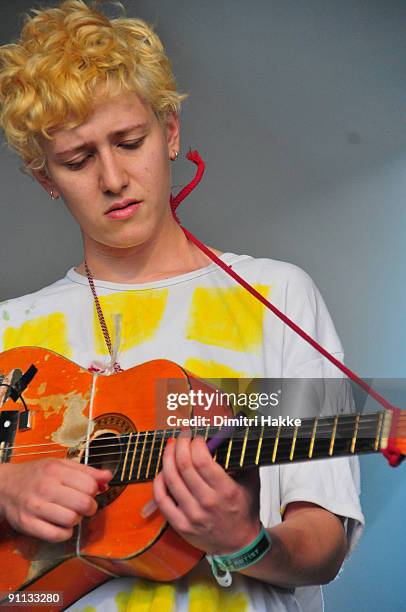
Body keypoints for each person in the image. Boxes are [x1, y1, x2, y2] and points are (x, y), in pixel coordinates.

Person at [0, 1, 364, 610]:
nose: (113, 178)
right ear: (45, 178)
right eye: (78, 159)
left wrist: (242, 541)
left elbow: (323, 540)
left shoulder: (277, 298)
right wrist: (6, 485)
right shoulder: (11, 329)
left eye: (130, 141)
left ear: (170, 132)